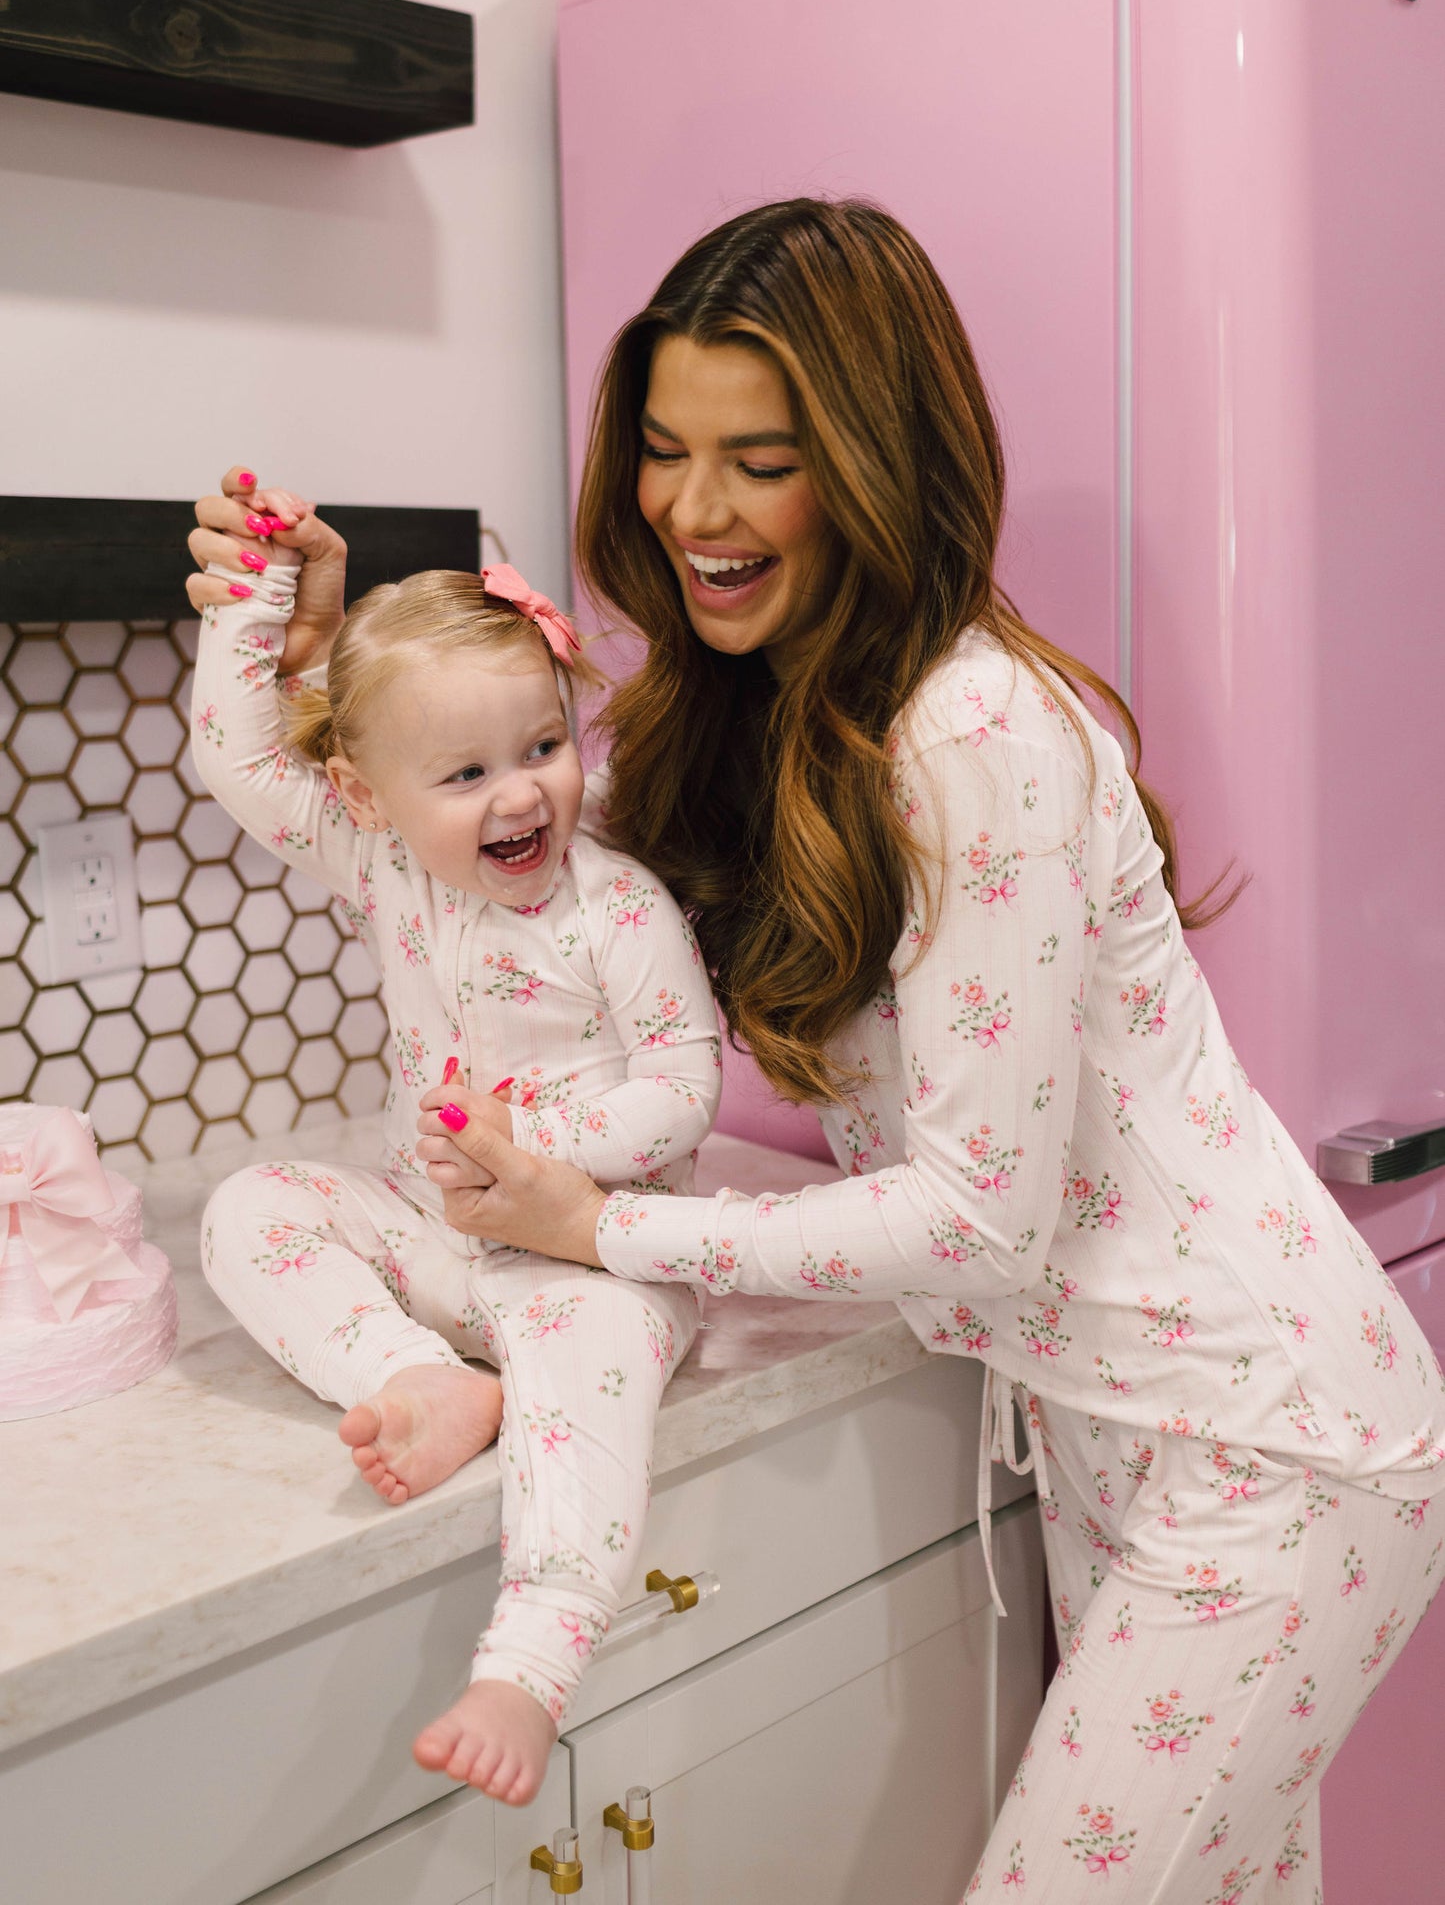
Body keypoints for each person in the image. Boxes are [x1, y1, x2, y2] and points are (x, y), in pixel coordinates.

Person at [190, 200, 1445, 1902]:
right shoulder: (769, 700)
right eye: (660, 450)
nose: (693, 511)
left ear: (872, 461)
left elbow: (973, 1218)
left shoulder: (973, 729)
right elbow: (466, 841)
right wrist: (310, 656)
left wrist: (595, 1229)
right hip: (1112, 1412)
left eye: (759, 459)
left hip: (1268, 1436)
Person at [185, 504, 720, 1807]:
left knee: (584, 1401)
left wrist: (542, 1152)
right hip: (438, 1244)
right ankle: (426, 1380)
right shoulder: (381, 863)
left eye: (542, 745)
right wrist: (256, 605)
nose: (521, 791)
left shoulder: (616, 909)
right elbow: (234, 763)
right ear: (369, 798)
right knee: (250, 1209)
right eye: (467, 774)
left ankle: (529, 1665)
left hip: (588, 1256)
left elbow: (683, 1084)